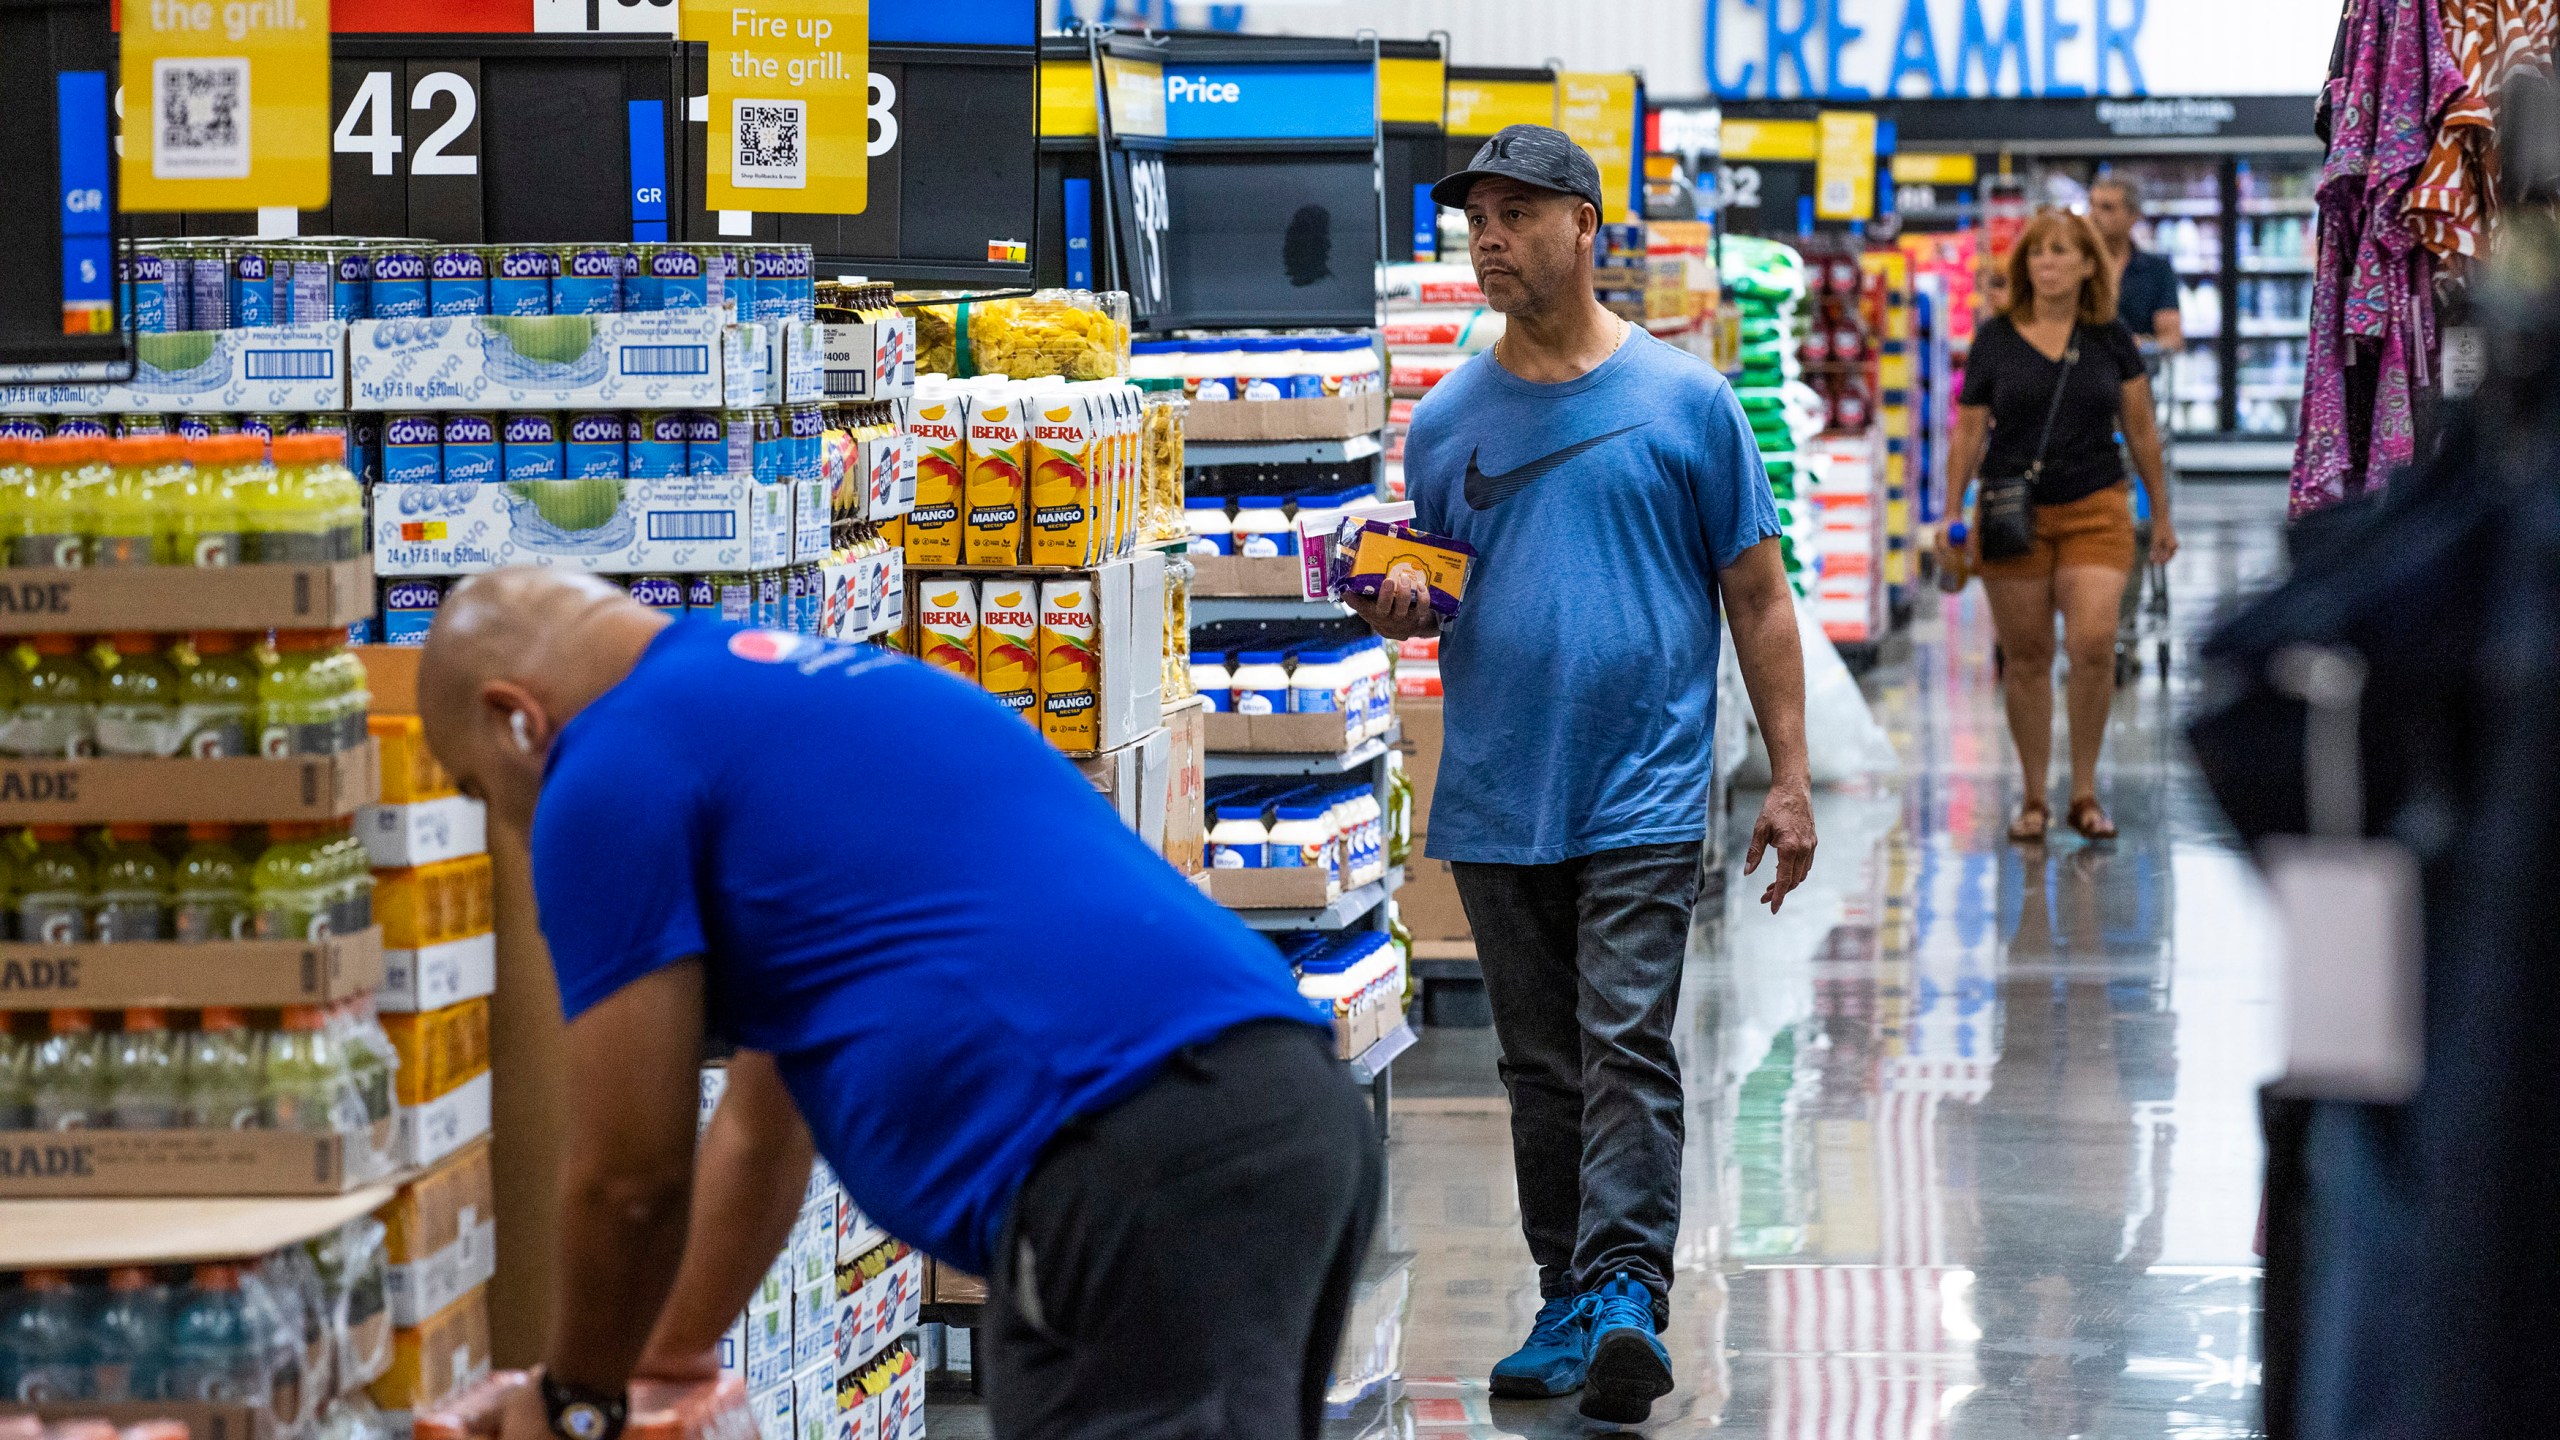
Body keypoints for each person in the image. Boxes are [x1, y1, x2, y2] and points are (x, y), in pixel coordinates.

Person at [419, 570, 1380, 1440]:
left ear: (516, 720)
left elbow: (631, 1173)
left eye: (478, 791)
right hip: (1289, 1112)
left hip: (1129, 1163)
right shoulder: (781, 693)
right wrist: (663, 1362)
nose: (505, 823)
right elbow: (762, 1124)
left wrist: (574, 1405)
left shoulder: (607, 764)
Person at [1348, 124, 1819, 1426]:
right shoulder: (1445, 425)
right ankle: (1566, 1291)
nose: (1487, 238)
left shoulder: (1687, 403)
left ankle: (1625, 1291)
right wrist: (1400, 603)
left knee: (1625, 1043)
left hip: (1646, 788)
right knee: (1540, 1066)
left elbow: (1761, 600)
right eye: (1474, 219)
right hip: (1501, 793)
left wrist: (1789, 778)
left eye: (1514, 213)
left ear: (1584, 228)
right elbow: (1434, 587)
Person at [1934, 209, 2178, 845]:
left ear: (2089, 264)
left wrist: (2164, 512)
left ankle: (2086, 792)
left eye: (2062, 251)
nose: (2048, 262)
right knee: (2027, 657)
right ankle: (2036, 795)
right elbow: (1967, 430)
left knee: (2094, 643)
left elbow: (2143, 429)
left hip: (2097, 506)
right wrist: (1949, 511)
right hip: (2012, 511)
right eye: (2037, 252)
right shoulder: (1995, 339)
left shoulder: (2112, 338)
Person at [2087, 177, 2184, 348]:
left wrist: (2138, 346)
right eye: (2092, 206)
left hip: (2141, 371)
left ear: (2134, 216)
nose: (2094, 215)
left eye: (2107, 208)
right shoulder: (2075, 266)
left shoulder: (2157, 270)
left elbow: (2173, 339)